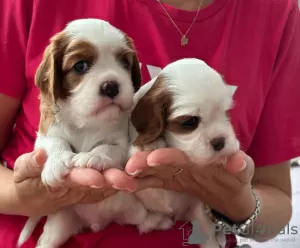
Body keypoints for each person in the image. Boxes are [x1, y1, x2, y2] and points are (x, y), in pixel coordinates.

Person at [0, 0, 300, 247]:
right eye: (80, 66)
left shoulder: (277, 13)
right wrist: (23, 197)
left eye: (124, 63)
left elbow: (276, 211)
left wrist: (236, 202)